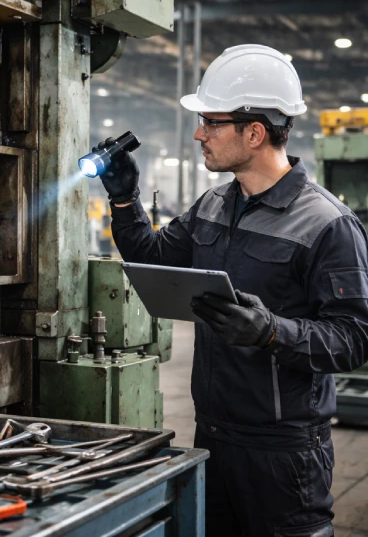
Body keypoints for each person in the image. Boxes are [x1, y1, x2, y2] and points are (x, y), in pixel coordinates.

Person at [93, 44, 368, 537]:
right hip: (212, 435)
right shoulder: (213, 205)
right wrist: (124, 197)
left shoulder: (329, 224)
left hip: (284, 454)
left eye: (211, 122)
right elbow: (152, 257)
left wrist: (271, 332)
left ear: (255, 132)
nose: (199, 133)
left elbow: (353, 338)